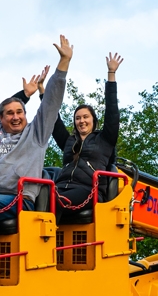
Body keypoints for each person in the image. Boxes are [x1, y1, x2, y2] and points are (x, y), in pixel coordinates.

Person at [0, 36, 72, 286]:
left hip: (19, 198)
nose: (16, 117)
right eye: (10, 113)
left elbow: (52, 101)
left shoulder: (37, 133)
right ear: (0, 118)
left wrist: (63, 65)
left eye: (20, 112)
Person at [52, 52, 123, 208]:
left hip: (89, 190)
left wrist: (111, 74)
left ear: (93, 120)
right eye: (78, 118)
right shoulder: (69, 141)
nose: (81, 121)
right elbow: (53, 121)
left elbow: (112, 111)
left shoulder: (104, 139)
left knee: (53, 202)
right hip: (61, 187)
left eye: (85, 117)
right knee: (36, 199)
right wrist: (44, 94)